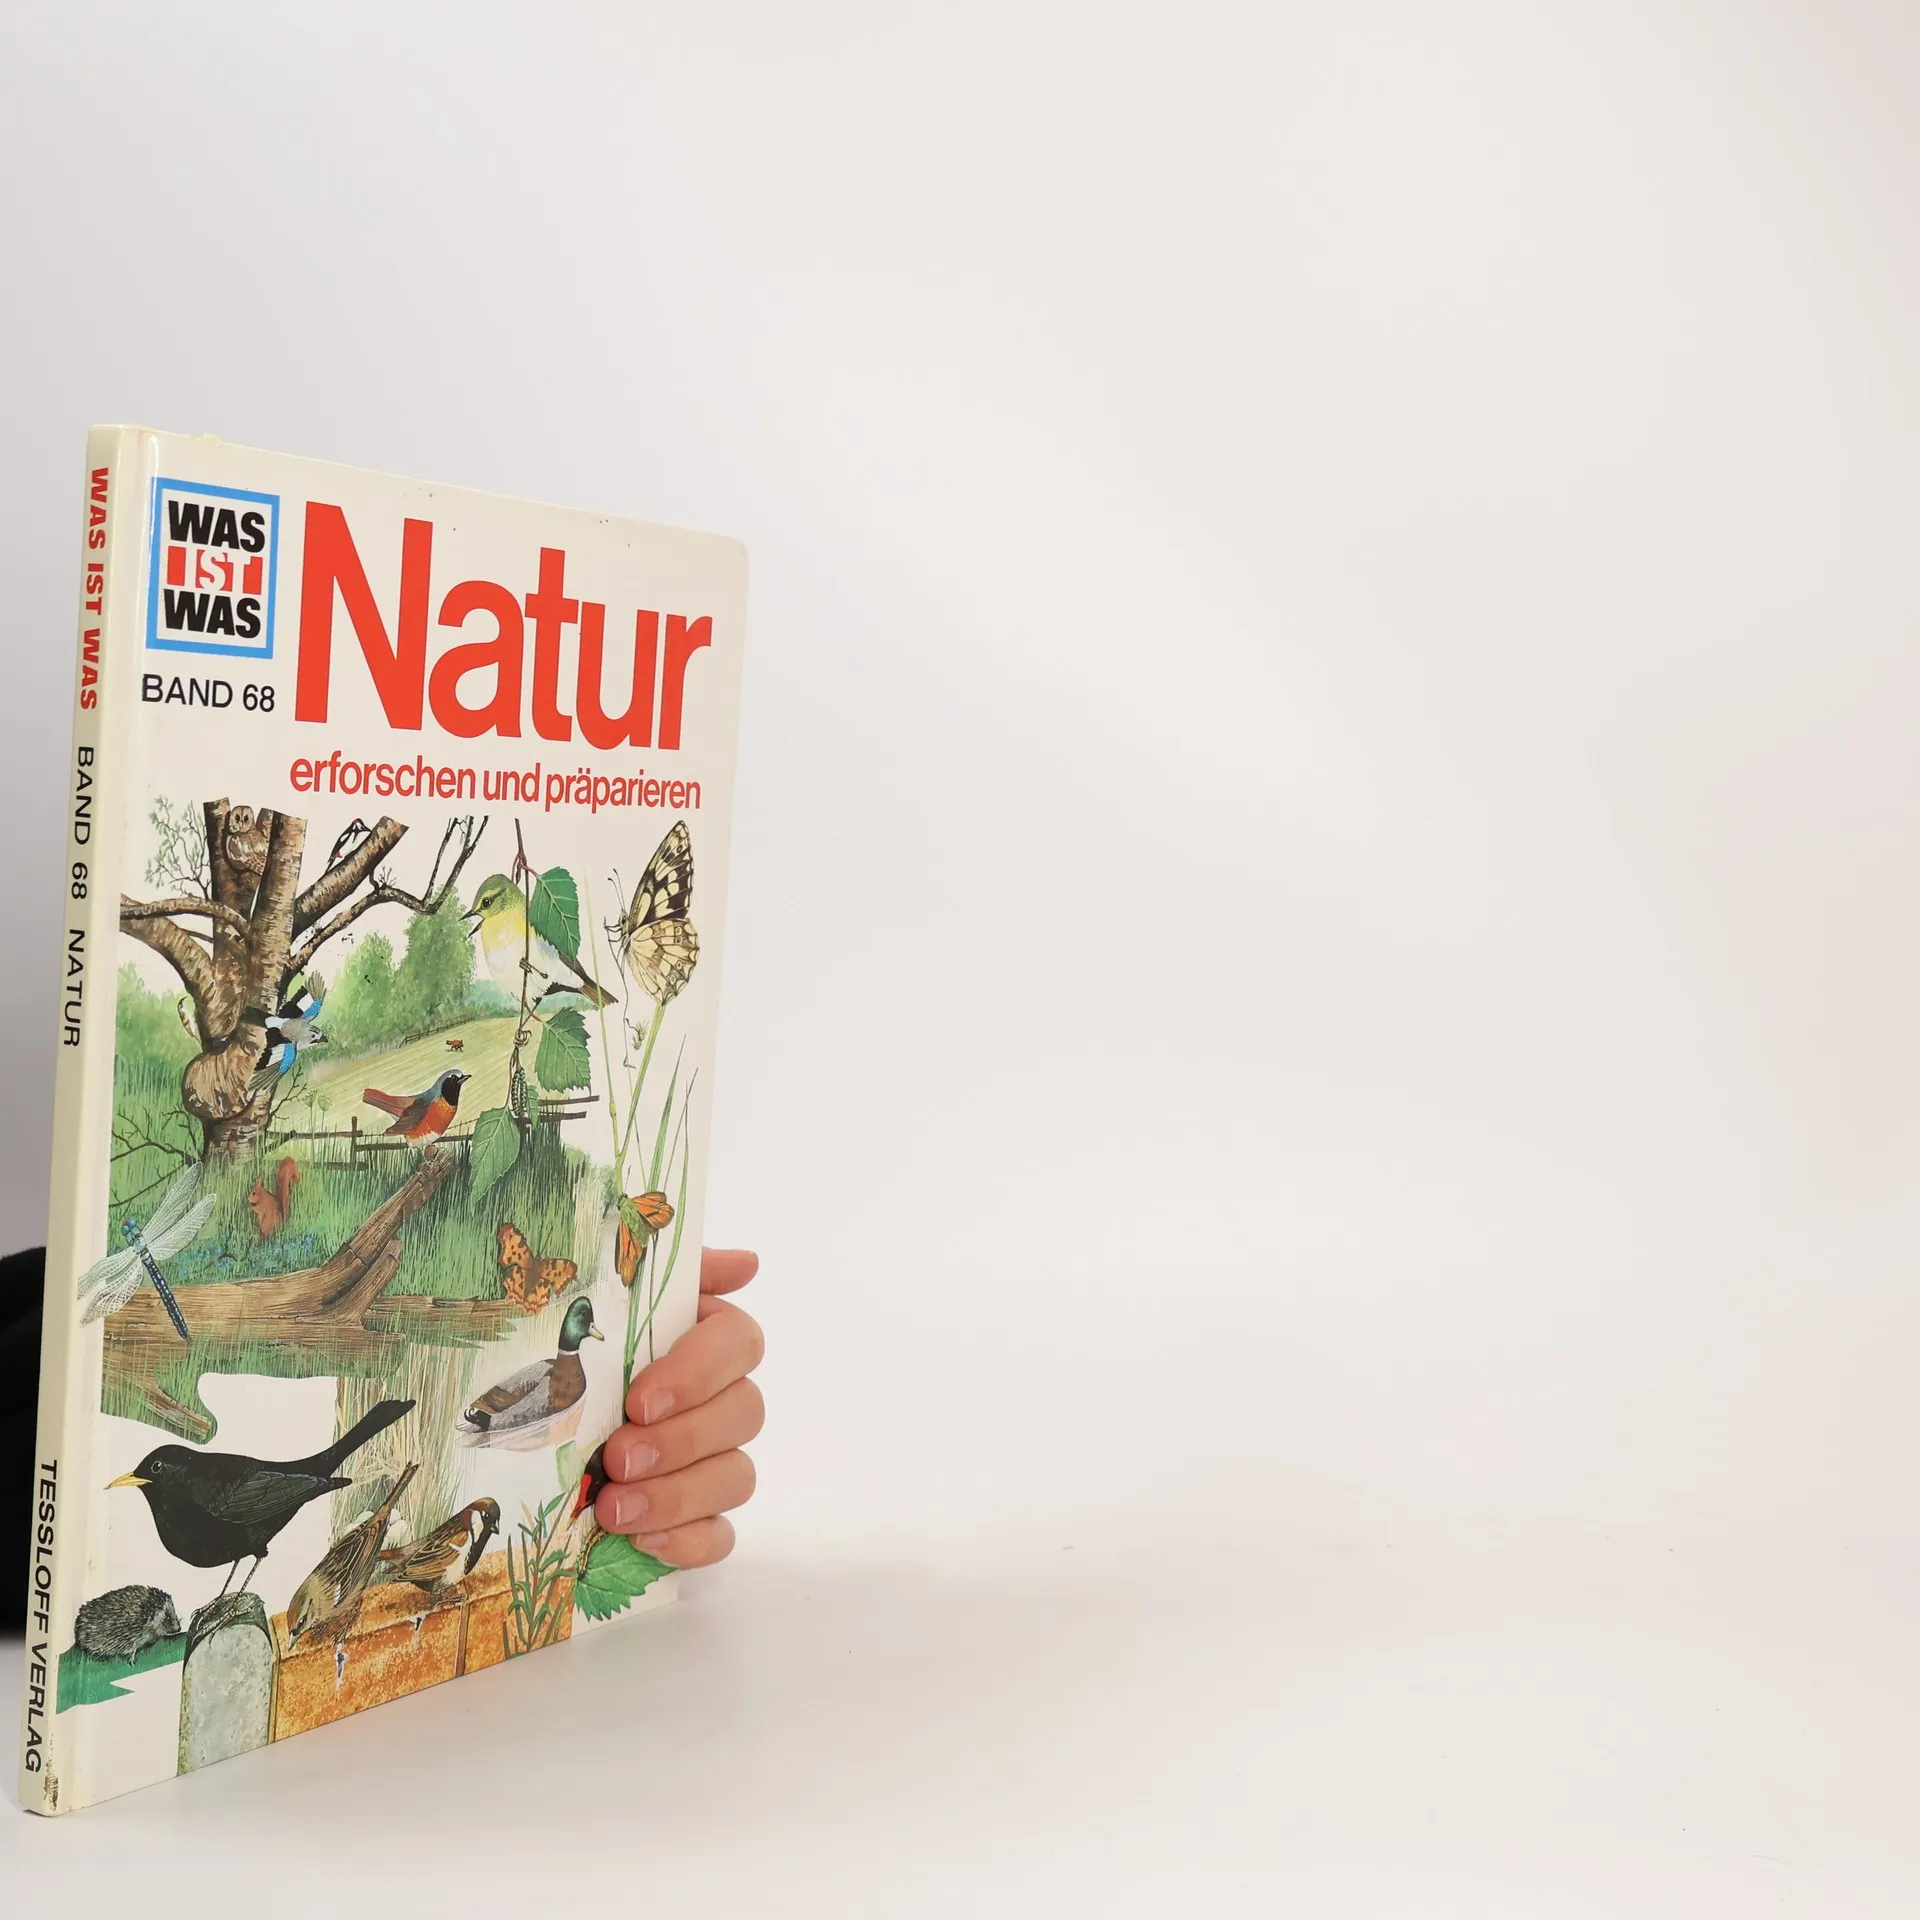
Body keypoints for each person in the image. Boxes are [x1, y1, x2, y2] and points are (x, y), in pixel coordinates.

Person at [1, 1243, 763, 1630]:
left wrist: (648, 1327)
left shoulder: (194, 1494)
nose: (143, 1483)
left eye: (149, 1475)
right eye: (145, 1476)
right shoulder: (183, 1493)